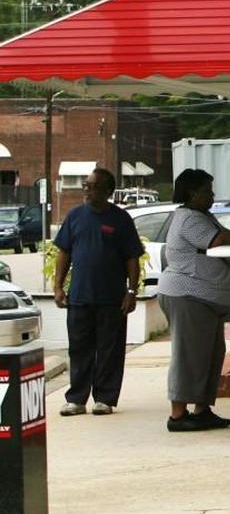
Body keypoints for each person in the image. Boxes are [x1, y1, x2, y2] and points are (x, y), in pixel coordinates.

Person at [158, 169, 230, 434]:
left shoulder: (202, 216)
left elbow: (225, 236)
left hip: (203, 297)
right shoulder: (188, 218)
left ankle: (202, 410)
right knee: (189, 356)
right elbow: (219, 240)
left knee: (210, 355)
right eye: (207, 191)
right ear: (191, 193)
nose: (212, 195)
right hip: (188, 295)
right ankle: (178, 415)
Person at [53, 167, 144, 416]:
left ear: (107, 191)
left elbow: (132, 258)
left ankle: (104, 398)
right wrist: (58, 286)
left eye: (92, 186)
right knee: (79, 348)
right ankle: (76, 399)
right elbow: (64, 253)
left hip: (112, 299)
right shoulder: (75, 217)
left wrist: (131, 291)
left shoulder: (120, 219)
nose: (87, 189)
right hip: (80, 297)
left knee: (110, 350)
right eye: (86, 185)